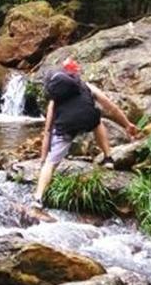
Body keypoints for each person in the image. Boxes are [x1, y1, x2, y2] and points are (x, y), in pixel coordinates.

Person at [32, 58, 141, 209]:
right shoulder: (87, 87)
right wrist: (127, 124)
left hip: (66, 126)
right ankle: (108, 158)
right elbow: (112, 107)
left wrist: (43, 159)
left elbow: (48, 130)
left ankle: (38, 198)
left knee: (50, 164)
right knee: (97, 121)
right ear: (76, 73)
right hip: (88, 118)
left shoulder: (55, 98)